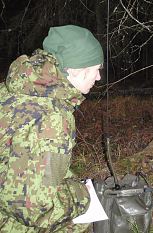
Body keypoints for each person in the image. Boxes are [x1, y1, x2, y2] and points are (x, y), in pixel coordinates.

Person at [0, 25, 103, 232]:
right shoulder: (54, 118)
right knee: (79, 222)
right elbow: (36, 210)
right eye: (96, 69)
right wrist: (82, 195)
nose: (98, 77)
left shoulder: (10, 89)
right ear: (76, 69)